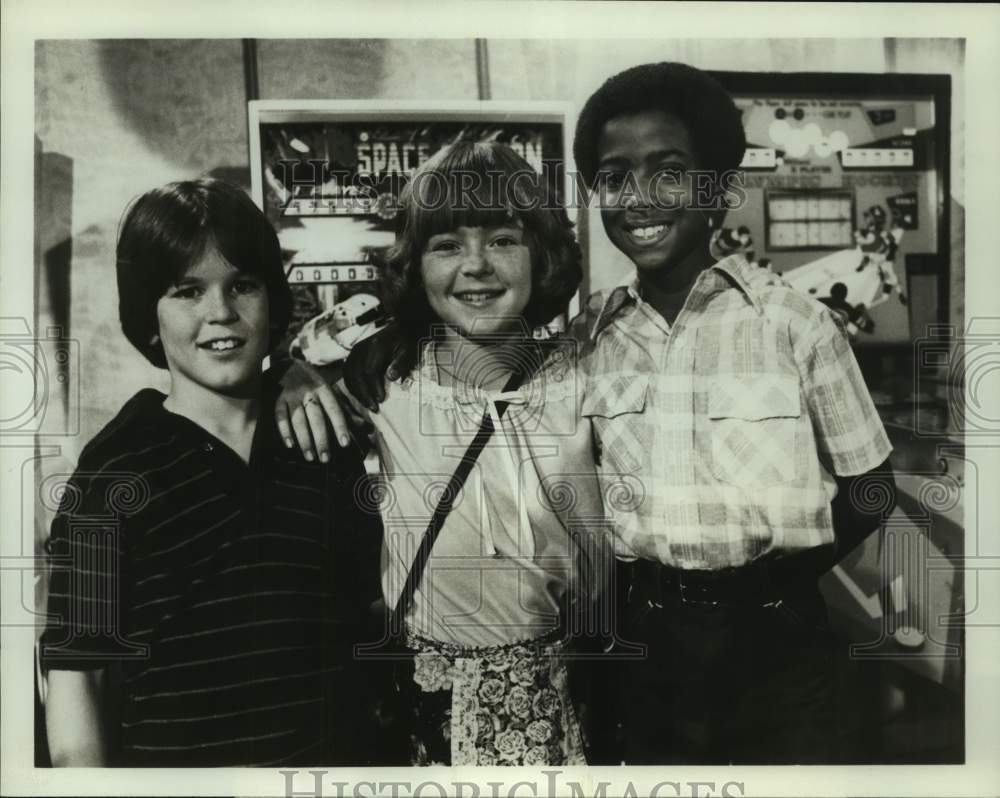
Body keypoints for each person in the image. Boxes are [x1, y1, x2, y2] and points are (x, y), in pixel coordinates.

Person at [298, 62, 900, 765]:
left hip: (775, 642)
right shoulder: (591, 338)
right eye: (615, 176)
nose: (640, 197)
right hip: (643, 647)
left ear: (718, 188)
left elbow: (872, 486)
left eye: (669, 171)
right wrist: (299, 371)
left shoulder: (794, 324)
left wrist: (777, 579)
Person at [277, 140, 615, 766]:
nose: (477, 265)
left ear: (541, 253)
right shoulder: (387, 382)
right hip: (427, 705)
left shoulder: (584, 377)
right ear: (416, 264)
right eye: (447, 245)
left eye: (503, 240)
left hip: (564, 697)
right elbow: (281, 371)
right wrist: (288, 377)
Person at [40, 178, 381, 766]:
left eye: (242, 286)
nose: (220, 312)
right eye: (187, 291)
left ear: (273, 299)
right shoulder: (111, 474)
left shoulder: (324, 438)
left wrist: (296, 369)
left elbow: (363, 620)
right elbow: (81, 676)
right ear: (148, 316)